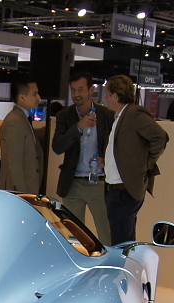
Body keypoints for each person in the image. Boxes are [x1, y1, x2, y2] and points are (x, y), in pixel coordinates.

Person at [102, 75, 168, 245]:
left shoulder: (134, 114)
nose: (105, 98)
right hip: (117, 189)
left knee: (122, 243)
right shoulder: (121, 116)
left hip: (124, 191)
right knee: (121, 240)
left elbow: (160, 137)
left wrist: (146, 164)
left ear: (115, 96)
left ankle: (125, 264)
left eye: (107, 94)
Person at [52, 71, 114, 241]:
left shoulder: (106, 115)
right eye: (73, 90)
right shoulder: (65, 115)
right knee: (75, 237)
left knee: (106, 234)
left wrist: (105, 161)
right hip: (73, 183)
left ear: (91, 90)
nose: (76, 94)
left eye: (81, 89)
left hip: (99, 183)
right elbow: (57, 147)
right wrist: (78, 127)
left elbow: (116, 147)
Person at [0, 79, 43, 194]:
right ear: (22, 97)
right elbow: (15, 163)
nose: (38, 97)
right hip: (18, 191)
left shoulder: (23, 118)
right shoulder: (15, 121)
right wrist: (22, 194)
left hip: (27, 188)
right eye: (34, 94)